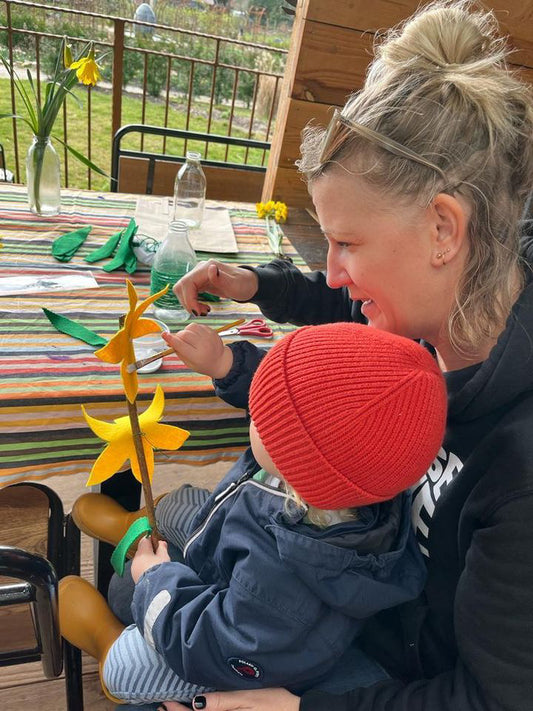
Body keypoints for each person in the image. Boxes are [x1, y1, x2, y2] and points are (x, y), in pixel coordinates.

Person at [162, 2, 533, 710]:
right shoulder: (435, 307)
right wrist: (257, 285)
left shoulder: (517, 471)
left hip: (389, 667)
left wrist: (298, 709)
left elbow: (489, 698)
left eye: (348, 244)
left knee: (157, 642)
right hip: (346, 579)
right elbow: (349, 305)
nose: (330, 270)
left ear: (441, 229)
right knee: (171, 530)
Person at [60, 322, 446, 706]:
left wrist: (156, 579)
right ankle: (132, 529)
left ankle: (106, 639)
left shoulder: (283, 586)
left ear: (298, 461)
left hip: (232, 650)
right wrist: (225, 362)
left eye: (263, 416)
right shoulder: (336, 482)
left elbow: (210, 644)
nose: (253, 413)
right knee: (178, 504)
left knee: (129, 661)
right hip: (235, 550)